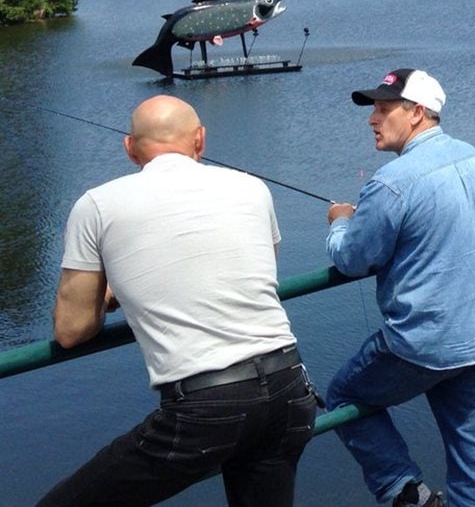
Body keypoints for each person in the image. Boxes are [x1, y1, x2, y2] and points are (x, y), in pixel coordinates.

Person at [41, 95, 316, 507]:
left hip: (208, 408)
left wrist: (110, 295)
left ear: (129, 148)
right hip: (290, 388)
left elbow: (71, 330)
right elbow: (254, 275)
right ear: (200, 141)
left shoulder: (96, 204)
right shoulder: (252, 188)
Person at [325, 68, 475, 507]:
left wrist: (340, 221)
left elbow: (354, 259)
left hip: (427, 342)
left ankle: (403, 490)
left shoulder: (391, 183)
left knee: (342, 397)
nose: (373, 118)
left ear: (417, 113)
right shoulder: (473, 157)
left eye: (384, 108)